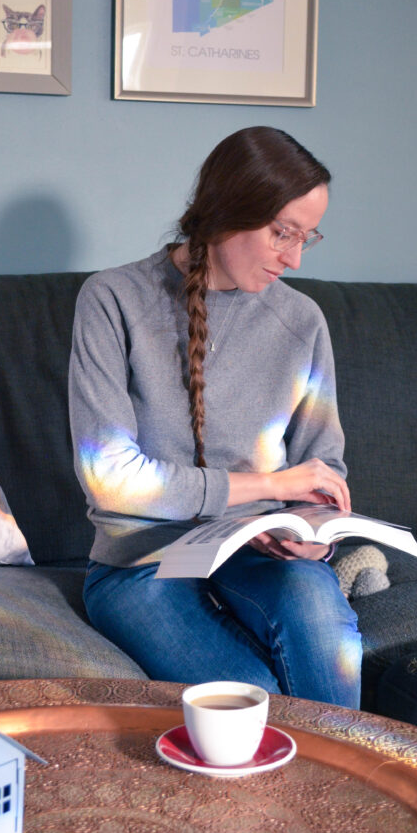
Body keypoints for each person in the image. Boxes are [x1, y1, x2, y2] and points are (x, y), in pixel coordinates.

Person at [69, 126, 362, 707]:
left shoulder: (302, 322)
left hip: (258, 548)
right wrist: (272, 485)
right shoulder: (112, 300)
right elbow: (111, 478)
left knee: (331, 646)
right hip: (139, 563)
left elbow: (322, 465)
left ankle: (350, 792)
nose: (295, 257)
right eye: (283, 233)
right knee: (245, 698)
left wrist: (312, 532)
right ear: (229, 211)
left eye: (308, 237)